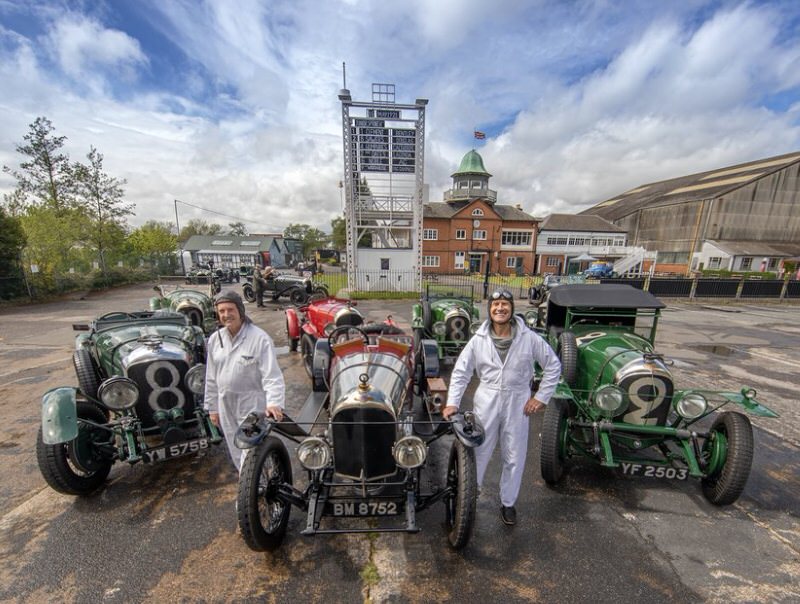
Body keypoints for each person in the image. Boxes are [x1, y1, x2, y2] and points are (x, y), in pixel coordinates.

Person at [443, 288, 561, 526]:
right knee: (478, 449)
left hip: (518, 401)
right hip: (487, 399)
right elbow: (461, 372)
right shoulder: (479, 340)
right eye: (495, 304)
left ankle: (508, 503)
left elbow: (553, 365)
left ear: (511, 308)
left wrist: (541, 398)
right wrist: (452, 402)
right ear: (490, 310)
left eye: (505, 304)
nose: (500, 308)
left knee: (514, 455)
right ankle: (470, 496)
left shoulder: (529, 338)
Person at [204, 291, 285, 472]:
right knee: (235, 447)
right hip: (226, 403)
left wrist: (274, 403)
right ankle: (254, 486)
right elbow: (211, 377)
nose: (226, 315)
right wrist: (212, 408)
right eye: (222, 311)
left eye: (230, 309)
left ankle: (249, 493)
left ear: (240, 310)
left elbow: (272, 375)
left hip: (252, 403)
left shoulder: (259, 338)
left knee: (251, 451)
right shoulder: (215, 340)